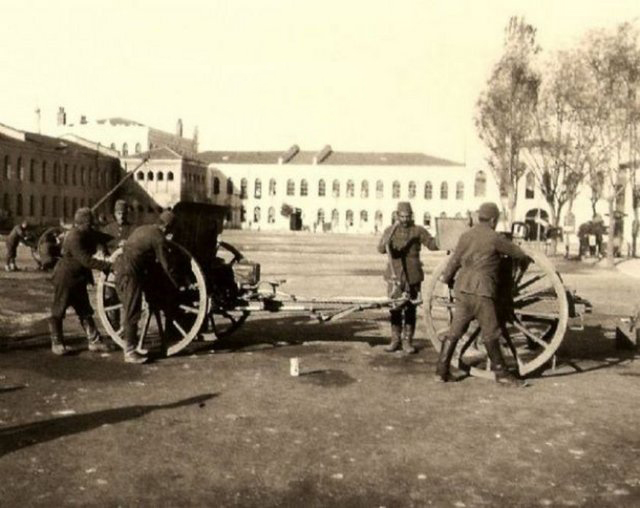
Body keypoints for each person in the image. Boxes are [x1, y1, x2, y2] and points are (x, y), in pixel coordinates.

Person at [434, 202, 530, 386]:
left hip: (463, 289)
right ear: (493, 220)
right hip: (483, 291)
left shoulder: (466, 235)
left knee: (455, 331)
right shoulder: (495, 238)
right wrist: (522, 258)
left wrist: (446, 279)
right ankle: (501, 374)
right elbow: (518, 253)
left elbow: (454, 261)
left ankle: (441, 370)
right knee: (491, 332)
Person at [114, 210, 179, 364]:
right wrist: (178, 284)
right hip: (129, 273)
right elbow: (166, 265)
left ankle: (132, 348)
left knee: (132, 309)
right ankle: (129, 352)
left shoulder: (143, 229)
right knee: (132, 310)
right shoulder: (158, 237)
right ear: (168, 227)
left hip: (125, 269)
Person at [49, 208, 114, 355]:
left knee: (85, 310)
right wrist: (108, 266)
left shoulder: (86, 232)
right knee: (58, 310)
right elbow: (86, 260)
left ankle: (94, 341)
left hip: (78, 278)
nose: (92, 226)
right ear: (81, 223)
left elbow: (103, 237)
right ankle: (57, 342)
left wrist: (120, 240)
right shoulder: (74, 237)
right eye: (90, 224)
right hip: (65, 277)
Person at [377, 202, 438, 354]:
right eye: (402, 216)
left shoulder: (418, 231)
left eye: (408, 216)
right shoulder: (390, 230)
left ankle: (407, 341)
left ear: (412, 216)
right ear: (397, 215)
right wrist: (386, 242)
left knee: (410, 308)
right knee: (395, 308)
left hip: (413, 274)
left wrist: (443, 238)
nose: (404, 219)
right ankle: (395, 340)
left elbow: (431, 244)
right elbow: (380, 249)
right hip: (395, 274)